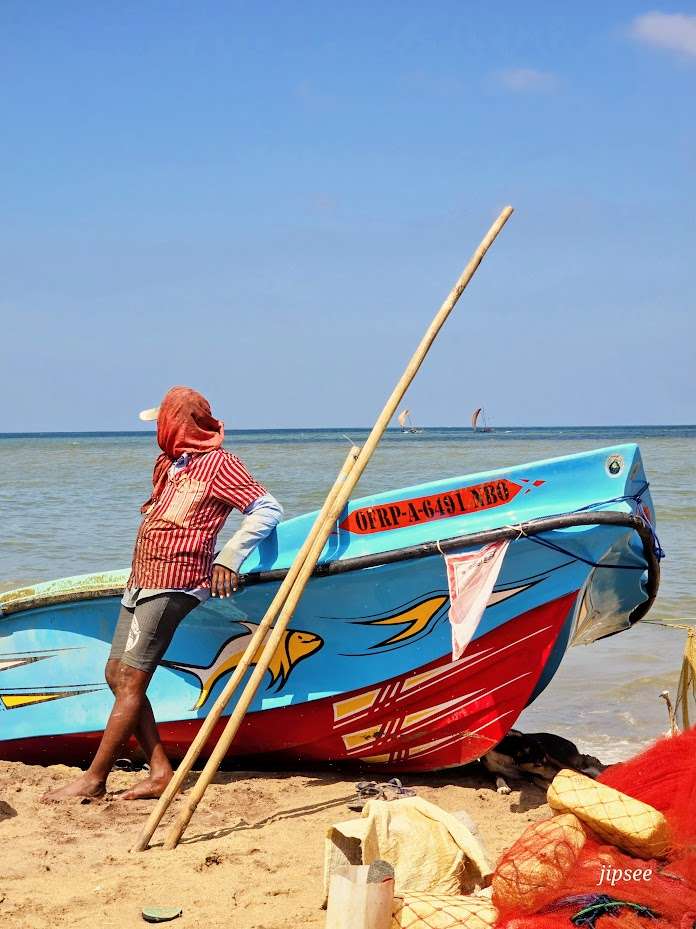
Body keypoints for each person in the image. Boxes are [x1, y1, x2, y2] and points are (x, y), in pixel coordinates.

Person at [43, 386, 283, 801]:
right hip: (142, 578)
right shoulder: (172, 464)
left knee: (133, 678)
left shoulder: (220, 464)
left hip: (175, 581)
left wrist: (229, 557)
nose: (157, 429)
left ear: (176, 424)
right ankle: (159, 772)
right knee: (116, 674)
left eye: (161, 421)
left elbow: (266, 508)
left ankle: (95, 778)